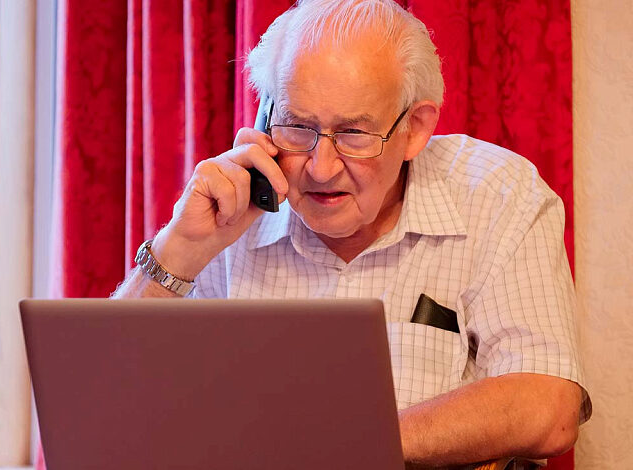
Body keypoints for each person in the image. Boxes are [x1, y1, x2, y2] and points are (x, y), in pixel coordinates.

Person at [113, 0, 590, 466]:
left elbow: (547, 405)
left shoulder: (496, 192)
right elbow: (107, 401)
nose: (321, 169)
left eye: (353, 135)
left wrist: (351, 443)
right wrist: (180, 250)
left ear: (415, 128)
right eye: (298, 127)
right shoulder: (232, 205)